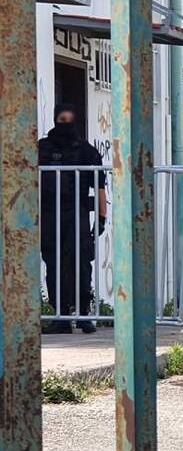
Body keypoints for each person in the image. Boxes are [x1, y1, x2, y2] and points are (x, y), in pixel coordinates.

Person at [39, 103, 107, 334]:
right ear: (55, 120)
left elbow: (99, 187)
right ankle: (60, 317)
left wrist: (101, 218)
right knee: (54, 264)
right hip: (49, 214)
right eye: (61, 120)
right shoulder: (42, 149)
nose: (65, 125)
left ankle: (83, 315)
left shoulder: (87, 151)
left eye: (69, 120)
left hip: (76, 213)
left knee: (81, 263)